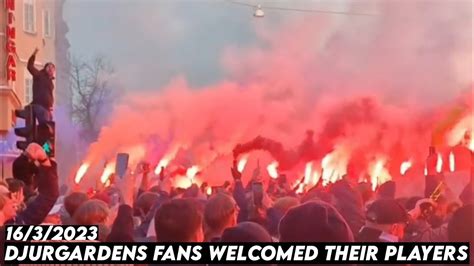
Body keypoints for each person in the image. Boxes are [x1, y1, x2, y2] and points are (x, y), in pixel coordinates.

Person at [27, 48, 55, 123]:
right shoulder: (39, 75)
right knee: (45, 124)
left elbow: (50, 96)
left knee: (50, 127)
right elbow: (30, 67)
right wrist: (34, 54)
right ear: (45, 68)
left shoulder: (51, 83)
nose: (50, 69)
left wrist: (51, 108)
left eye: (52, 68)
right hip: (38, 105)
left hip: (47, 108)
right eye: (49, 67)